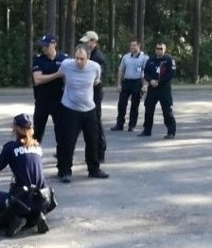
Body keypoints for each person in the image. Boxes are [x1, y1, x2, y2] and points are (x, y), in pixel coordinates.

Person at [0, 113, 53, 237]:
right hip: (45, 199)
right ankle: (37, 215)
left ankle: (18, 218)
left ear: (16, 129)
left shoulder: (10, 147)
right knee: (30, 193)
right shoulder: (37, 147)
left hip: (22, 201)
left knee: (2, 199)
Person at [55, 46, 109, 183]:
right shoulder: (67, 65)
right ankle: (65, 171)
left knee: (92, 140)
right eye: (77, 58)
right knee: (68, 142)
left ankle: (94, 169)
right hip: (70, 108)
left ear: (88, 58)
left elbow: (96, 81)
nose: (79, 62)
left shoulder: (95, 67)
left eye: (82, 59)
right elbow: (62, 76)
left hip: (89, 109)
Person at [31, 33, 67, 152]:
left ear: (54, 44)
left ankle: (62, 156)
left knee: (61, 131)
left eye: (47, 45)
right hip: (42, 101)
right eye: (43, 46)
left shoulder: (64, 59)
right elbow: (37, 80)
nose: (44, 48)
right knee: (37, 131)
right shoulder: (38, 59)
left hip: (59, 101)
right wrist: (57, 75)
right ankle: (33, 155)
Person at [139, 42, 177, 139]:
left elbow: (170, 74)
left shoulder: (169, 60)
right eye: (157, 48)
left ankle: (171, 132)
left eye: (161, 48)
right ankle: (147, 130)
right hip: (152, 89)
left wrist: (159, 82)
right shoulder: (150, 60)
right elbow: (146, 72)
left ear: (165, 50)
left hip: (164, 89)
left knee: (167, 111)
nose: (159, 50)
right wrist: (150, 80)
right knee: (148, 109)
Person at [111, 38, 148, 132]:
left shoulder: (144, 58)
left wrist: (145, 85)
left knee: (134, 104)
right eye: (131, 45)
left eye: (134, 45)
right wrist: (119, 84)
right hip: (127, 81)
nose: (132, 47)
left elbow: (146, 72)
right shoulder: (126, 57)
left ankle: (132, 125)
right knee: (121, 103)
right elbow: (121, 70)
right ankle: (119, 124)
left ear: (139, 46)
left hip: (137, 82)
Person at [81, 30, 107, 161]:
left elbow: (98, 78)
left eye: (87, 42)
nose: (85, 44)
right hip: (88, 94)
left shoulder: (98, 58)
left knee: (96, 123)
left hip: (95, 94)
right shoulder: (89, 54)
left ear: (93, 42)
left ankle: (100, 151)